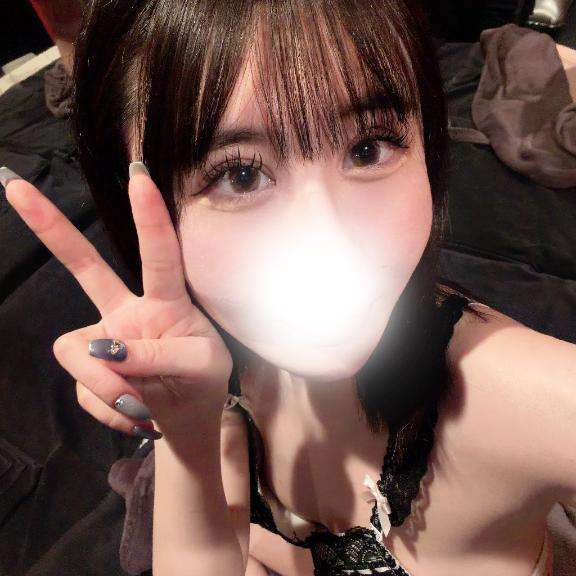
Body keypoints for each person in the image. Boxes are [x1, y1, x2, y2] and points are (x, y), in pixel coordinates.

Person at [1, 0, 574, 574]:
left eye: (368, 147)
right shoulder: (210, 364)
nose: (334, 242)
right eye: (240, 175)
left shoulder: (531, 400)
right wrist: (187, 440)